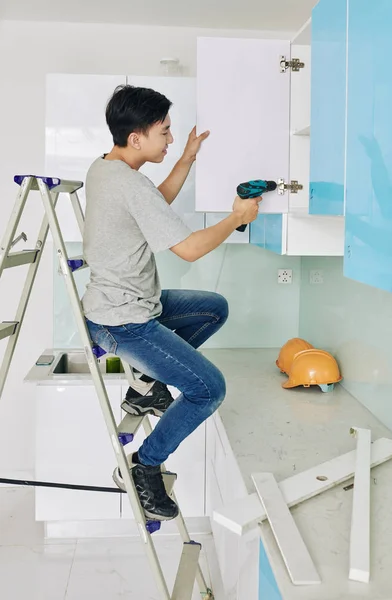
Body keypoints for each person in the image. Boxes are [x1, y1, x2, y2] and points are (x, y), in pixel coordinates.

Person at [82, 85, 262, 521]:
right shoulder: (129, 183)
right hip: (122, 323)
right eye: (165, 132)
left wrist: (186, 159)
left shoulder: (104, 168)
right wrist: (238, 217)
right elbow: (190, 249)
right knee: (208, 389)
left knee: (212, 307)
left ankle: (146, 386)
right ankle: (143, 466)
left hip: (126, 305)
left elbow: (153, 205)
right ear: (137, 137)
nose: (171, 139)